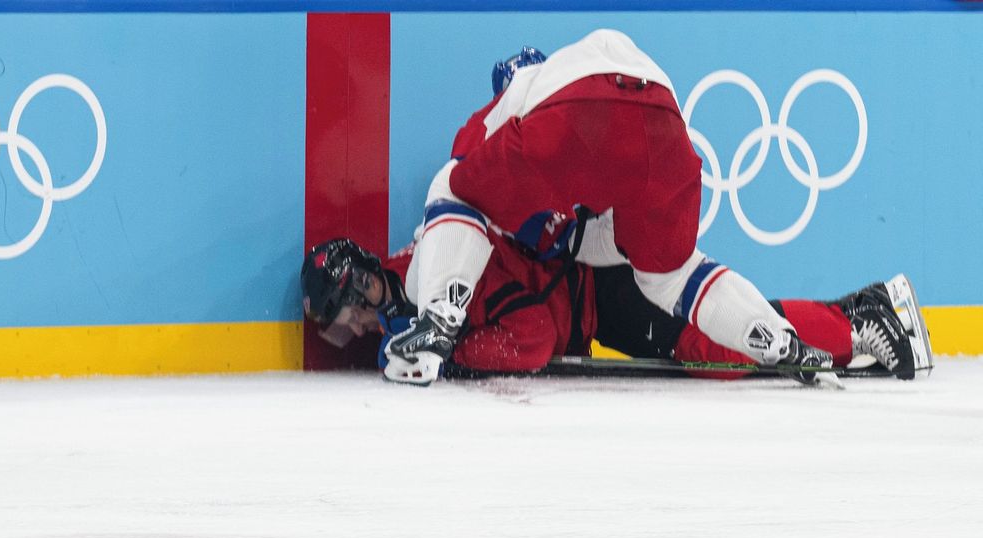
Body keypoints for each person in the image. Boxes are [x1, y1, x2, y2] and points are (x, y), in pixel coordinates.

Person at [387, 29, 851, 385]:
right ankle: (778, 341)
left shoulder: (515, 99)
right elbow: (602, 241)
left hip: (576, 109)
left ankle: (437, 323)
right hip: (665, 117)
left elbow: (466, 191)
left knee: (452, 186)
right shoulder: (573, 74)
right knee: (672, 274)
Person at [300, 235, 932, 384]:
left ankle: (862, 324)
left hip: (605, 297)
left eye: (339, 315)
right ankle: (854, 311)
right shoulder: (419, 281)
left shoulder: (432, 279)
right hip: (600, 295)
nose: (345, 331)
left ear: (359, 288)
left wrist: (456, 356)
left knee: (720, 346)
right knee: (723, 337)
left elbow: (533, 337)